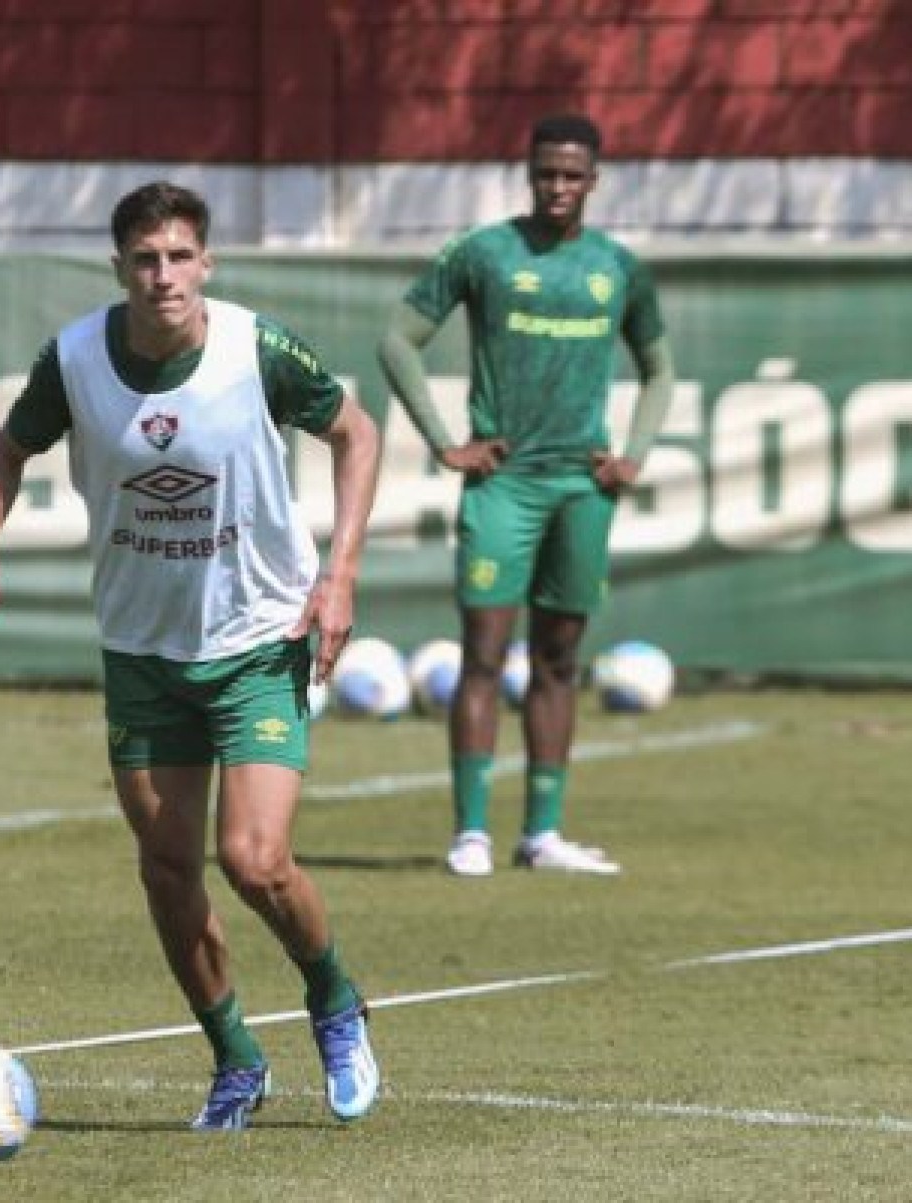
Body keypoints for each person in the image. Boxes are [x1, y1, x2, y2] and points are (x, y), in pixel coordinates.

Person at [0, 181, 383, 1130]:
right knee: (168, 866)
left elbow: (357, 432)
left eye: (181, 257)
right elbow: (4, 451)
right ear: (120, 270)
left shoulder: (254, 349)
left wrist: (339, 574)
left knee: (255, 860)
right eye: (146, 260)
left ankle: (336, 1000)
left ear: (207, 265)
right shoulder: (72, 361)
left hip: (260, 637)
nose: (164, 276)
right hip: (143, 652)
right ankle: (234, 1057)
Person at [376, 114, 677, 879]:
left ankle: (542, 832)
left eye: (573, 176)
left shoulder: (618, 267)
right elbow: (396, 340)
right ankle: (470, 832)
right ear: (529, 173)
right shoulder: (485, 253)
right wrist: (448, 441)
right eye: (546, 174)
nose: (558, 188)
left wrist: (632, 455)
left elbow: (659, 368)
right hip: (503, 485)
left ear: (594, 180)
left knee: (559, 659)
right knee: (483, 655)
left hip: (581, 489)